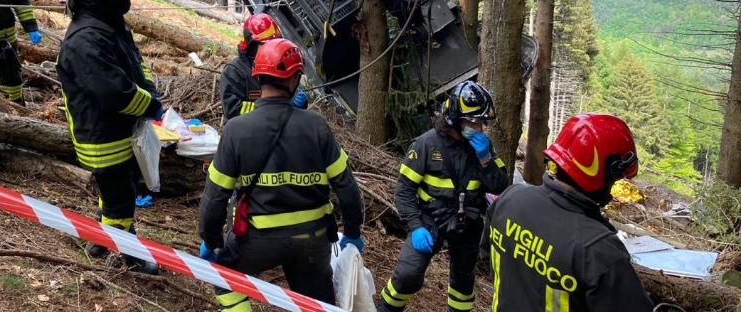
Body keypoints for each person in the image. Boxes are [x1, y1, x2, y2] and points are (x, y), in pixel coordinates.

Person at [199, 38, 364, 312]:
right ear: (294, 79)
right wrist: (354, 232)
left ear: (258, 77)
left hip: (256, 239)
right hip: (313, 240)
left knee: (225, 279)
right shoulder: (317, 126)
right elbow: (346, 186)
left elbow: (215, 196)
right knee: (316, 303)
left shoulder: (237, 130)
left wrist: (210, 240)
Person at [56, 0, 162, 275]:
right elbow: (115, 94)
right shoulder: (86, 39)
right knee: (121, 199)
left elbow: (132, 65)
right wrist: (151, 105)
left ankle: (99, 239)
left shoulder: (108, 22)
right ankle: (129, 257)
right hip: (102, 138)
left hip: (115, 131)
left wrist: (150, 91)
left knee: (113, 191)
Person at [481, 113, 653, 311]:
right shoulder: (599, 250)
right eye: (616, 179)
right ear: (605, 173)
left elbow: (489, 255)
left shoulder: (511, 198)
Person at [379, 80, 509, 312]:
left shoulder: (483, 148)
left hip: (468, 222)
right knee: (408, 275)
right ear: (454, 118)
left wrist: (486, 158)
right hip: (430, 219)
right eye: (473, 121)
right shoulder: (426, 144)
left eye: (482, 122)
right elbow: (404, 191)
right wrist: (416, 226)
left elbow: (499, 186)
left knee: (463, 284)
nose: (479, 127)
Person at [220, 13, 309, 124]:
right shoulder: (233, 71)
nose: (272, 49)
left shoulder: (278, 65)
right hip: (244, 133)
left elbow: (283, 101)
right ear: (251, 45)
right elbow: (231, 109)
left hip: (276, 131)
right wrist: (266, 110)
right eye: (266, 45)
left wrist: (296, 104)